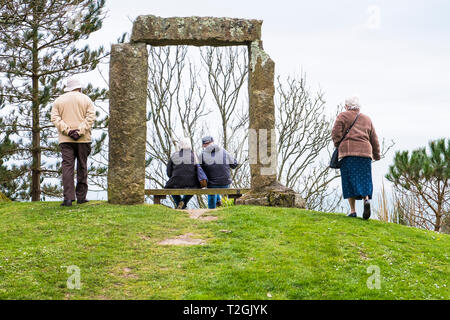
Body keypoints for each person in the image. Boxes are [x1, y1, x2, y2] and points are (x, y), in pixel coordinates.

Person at [331, 96, 380, 219]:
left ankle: (353, 211)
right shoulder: (367, 119)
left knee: (349, 181)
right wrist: (376, 154)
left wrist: (338, 144)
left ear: (347, 106)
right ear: (358, 106)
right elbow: (374, 138)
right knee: (364, 179)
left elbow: (335, 133)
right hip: (365, 154)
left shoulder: (342, 116)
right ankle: (366, 200)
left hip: (348, 153)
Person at [51, 77, 96, 207]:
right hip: (83, 139)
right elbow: (90, 117)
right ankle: (81, 197)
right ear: (79, 88)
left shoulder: (59, 101)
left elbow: (55, 118)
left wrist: (68, 131)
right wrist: (80, 131)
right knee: (82, 166)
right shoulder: (86, 99)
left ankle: (68, 198)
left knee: (67, 167)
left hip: (65, 140)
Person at [165, 138, 207, 209]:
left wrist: (174, 178)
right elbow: (198, 170)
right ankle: (183, 202)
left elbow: (168, 172)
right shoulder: (194, 155)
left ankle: (179, 203)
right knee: (195, 187)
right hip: (191, 183)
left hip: (176, 182)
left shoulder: (174, 155)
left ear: (180, 146)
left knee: (170, 187)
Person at [200, 136, 238, 209]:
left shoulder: (202, 155)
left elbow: (200, 171)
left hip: (211, 185)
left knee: (212, 189)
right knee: (216, 186)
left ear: (204, 145)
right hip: (225, 183)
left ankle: (211, 211)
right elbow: (234, 164)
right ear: (213, 142)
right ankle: (219, 201)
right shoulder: (224, 151)